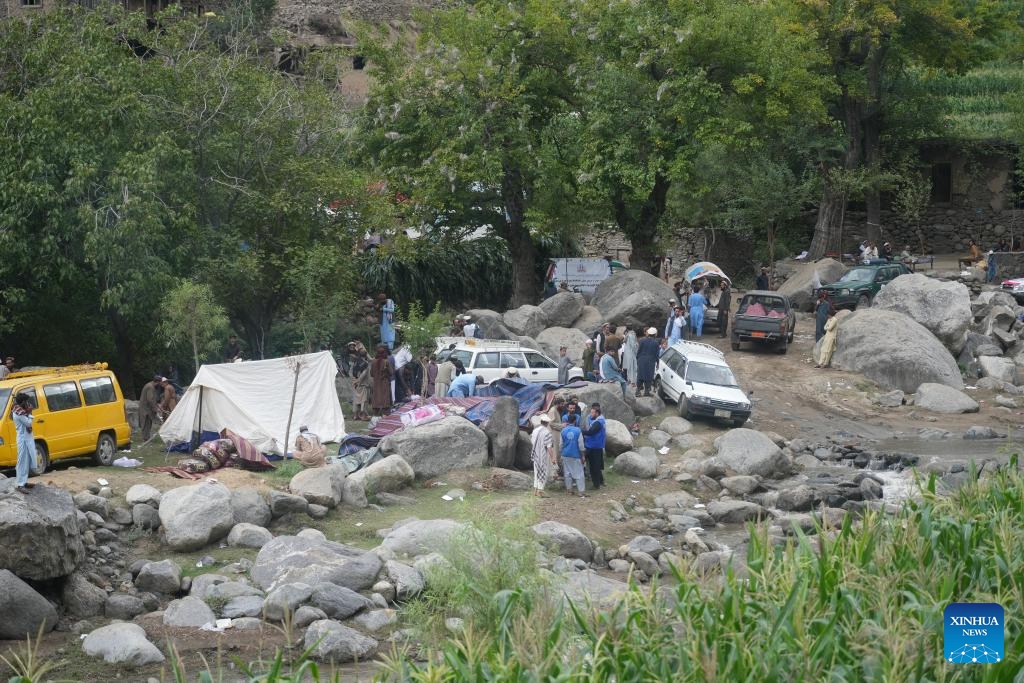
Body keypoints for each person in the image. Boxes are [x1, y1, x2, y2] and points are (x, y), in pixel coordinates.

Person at [12, 393, 37, 493]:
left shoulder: (21, 411)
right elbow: (28, 423)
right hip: (23, 440)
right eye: (26, 401)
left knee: (26, 461)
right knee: (22, 461)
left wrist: (27, 412)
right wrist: (30, 412)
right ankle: (19, 485)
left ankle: (24, 482)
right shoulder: (18, 413)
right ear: (22, 402)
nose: (27, 403)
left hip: (26, 439)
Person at [582, 403, 606, 490]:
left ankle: (596, 485)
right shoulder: (600, 419)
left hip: (593, 446)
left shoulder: (598, 423)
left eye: (592, 413)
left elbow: (591, 432)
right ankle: (600, 481)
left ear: (597, 413)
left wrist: (580, 431)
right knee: (597, 465)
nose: (591, 414)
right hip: (596, 445)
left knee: (594, 466)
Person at [561, 413, 586, 496]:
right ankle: (581, 492)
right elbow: (581, 445)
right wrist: (583, 455)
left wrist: (561, 453)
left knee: (567, 473)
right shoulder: (578, 430)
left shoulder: (563, 430)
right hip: (575, 454)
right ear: (575, 421)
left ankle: (569, 490)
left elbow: (560, 444)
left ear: (567, 420)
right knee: (579, 473)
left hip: (565, 454)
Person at [531, 414, 555, 497]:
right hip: (543, 455)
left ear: (541, 422)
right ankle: (540, 491)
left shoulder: (535, 430)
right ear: (547, 423)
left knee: (536, 472)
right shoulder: (547, 432)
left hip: (535, 455)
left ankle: (535, 490)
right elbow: (549, 447)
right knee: (543, 473)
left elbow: (532, 442)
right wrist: (553, 458)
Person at [636, 327, 660, 397]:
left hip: (641, 359)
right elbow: (657, 354)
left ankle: (638, 391)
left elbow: (639, 351)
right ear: (655, 334)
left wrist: (638, 358)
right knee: (649, 376)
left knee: (640, 375)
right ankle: (647, 391)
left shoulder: (642, 341)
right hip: (650, 361)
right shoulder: (656, 343)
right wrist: (657, 363)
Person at [370, 345, 393, 416]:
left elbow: (371, 374)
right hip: (384, 384)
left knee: (376, 398)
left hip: (376, 384)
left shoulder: (373, 362)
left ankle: (376, 414)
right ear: (384, 353)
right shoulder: (386, 362)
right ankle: (385, 414)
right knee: (385, 399)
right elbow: (391, 373)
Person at [138, 374, 162, 441]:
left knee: (148, 423)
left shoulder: (150, 385)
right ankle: (146, 438)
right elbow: (150, 399)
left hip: (146, 408)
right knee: (146, 423)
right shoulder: (150, 387)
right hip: (146, 409)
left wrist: (157, 406)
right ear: (158, 382)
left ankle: (147, 437)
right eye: (160, 382)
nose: (160, 384)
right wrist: (155, 409)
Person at [350, 346, 370, 421]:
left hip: (355, 385)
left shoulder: (355, 362)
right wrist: (358, 381)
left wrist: (354, 381)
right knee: (363, 401)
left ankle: (355, 415)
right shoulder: (365, 363)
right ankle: (363, 415)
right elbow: (363, 375)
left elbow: (350, 372)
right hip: (362, 384)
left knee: (355, 400)